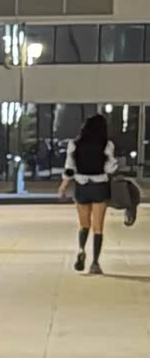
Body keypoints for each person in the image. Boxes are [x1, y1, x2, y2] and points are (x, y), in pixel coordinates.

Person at [60, 111, 118, 272]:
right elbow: (110, 168)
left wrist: (64, 185)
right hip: (100, 187)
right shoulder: (107, 145)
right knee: (98, 227)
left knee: (84, 225)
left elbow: (70, 167)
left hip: (82, 187)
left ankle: (81, 249)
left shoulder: (74, 144)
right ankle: (95, 263)